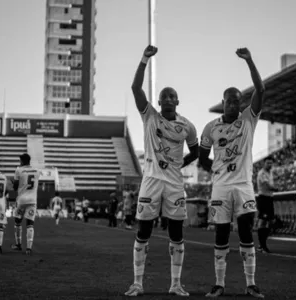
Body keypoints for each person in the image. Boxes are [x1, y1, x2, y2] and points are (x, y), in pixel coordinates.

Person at [124, 45, 198, 297]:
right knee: (143, 231)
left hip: (175, 184)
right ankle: (137, 283)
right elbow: (135, 88)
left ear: (178, 101)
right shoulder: (150, 117)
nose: (167, 99)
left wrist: (180, 164)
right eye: (163, 96)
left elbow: (196, 152)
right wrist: (144, 59)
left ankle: (175, 284)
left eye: (171, 96)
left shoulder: (187, 127)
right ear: (158, 102)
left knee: (176, 233)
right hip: (151, 181)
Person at [199, 48, 265, 298]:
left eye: (238, 100)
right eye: (230, 101)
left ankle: (250, 284)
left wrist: (249, 60)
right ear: (223, 102)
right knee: (221, 234)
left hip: (244, 186)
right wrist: (215, 171)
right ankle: (219, 284)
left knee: (247, 232)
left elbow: (261, 90)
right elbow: (203, 157)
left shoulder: (249, 119)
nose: (234, 104)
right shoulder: (210, 128)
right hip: (221, 188)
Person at [11, 153, 39, 255]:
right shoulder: (37, 171)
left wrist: (14, 184)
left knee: (18, 221)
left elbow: (15, 187)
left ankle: (18, 245)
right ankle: (28, 248)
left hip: (21, 200)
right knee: (30, 224)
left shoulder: (18, 170)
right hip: (32, 200)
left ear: (22, 161)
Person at [256, 157, 278, 253]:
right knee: (263, 221)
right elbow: (267, 186)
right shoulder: (262, 173)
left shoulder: (270, 173)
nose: (269, 165)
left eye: (271, 163)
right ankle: (262, 245)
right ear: (264, 163)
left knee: (270, 221)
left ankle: (262, 244)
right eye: (268, 163)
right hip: (263, 198)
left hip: (269, 198)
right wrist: (276, 189)